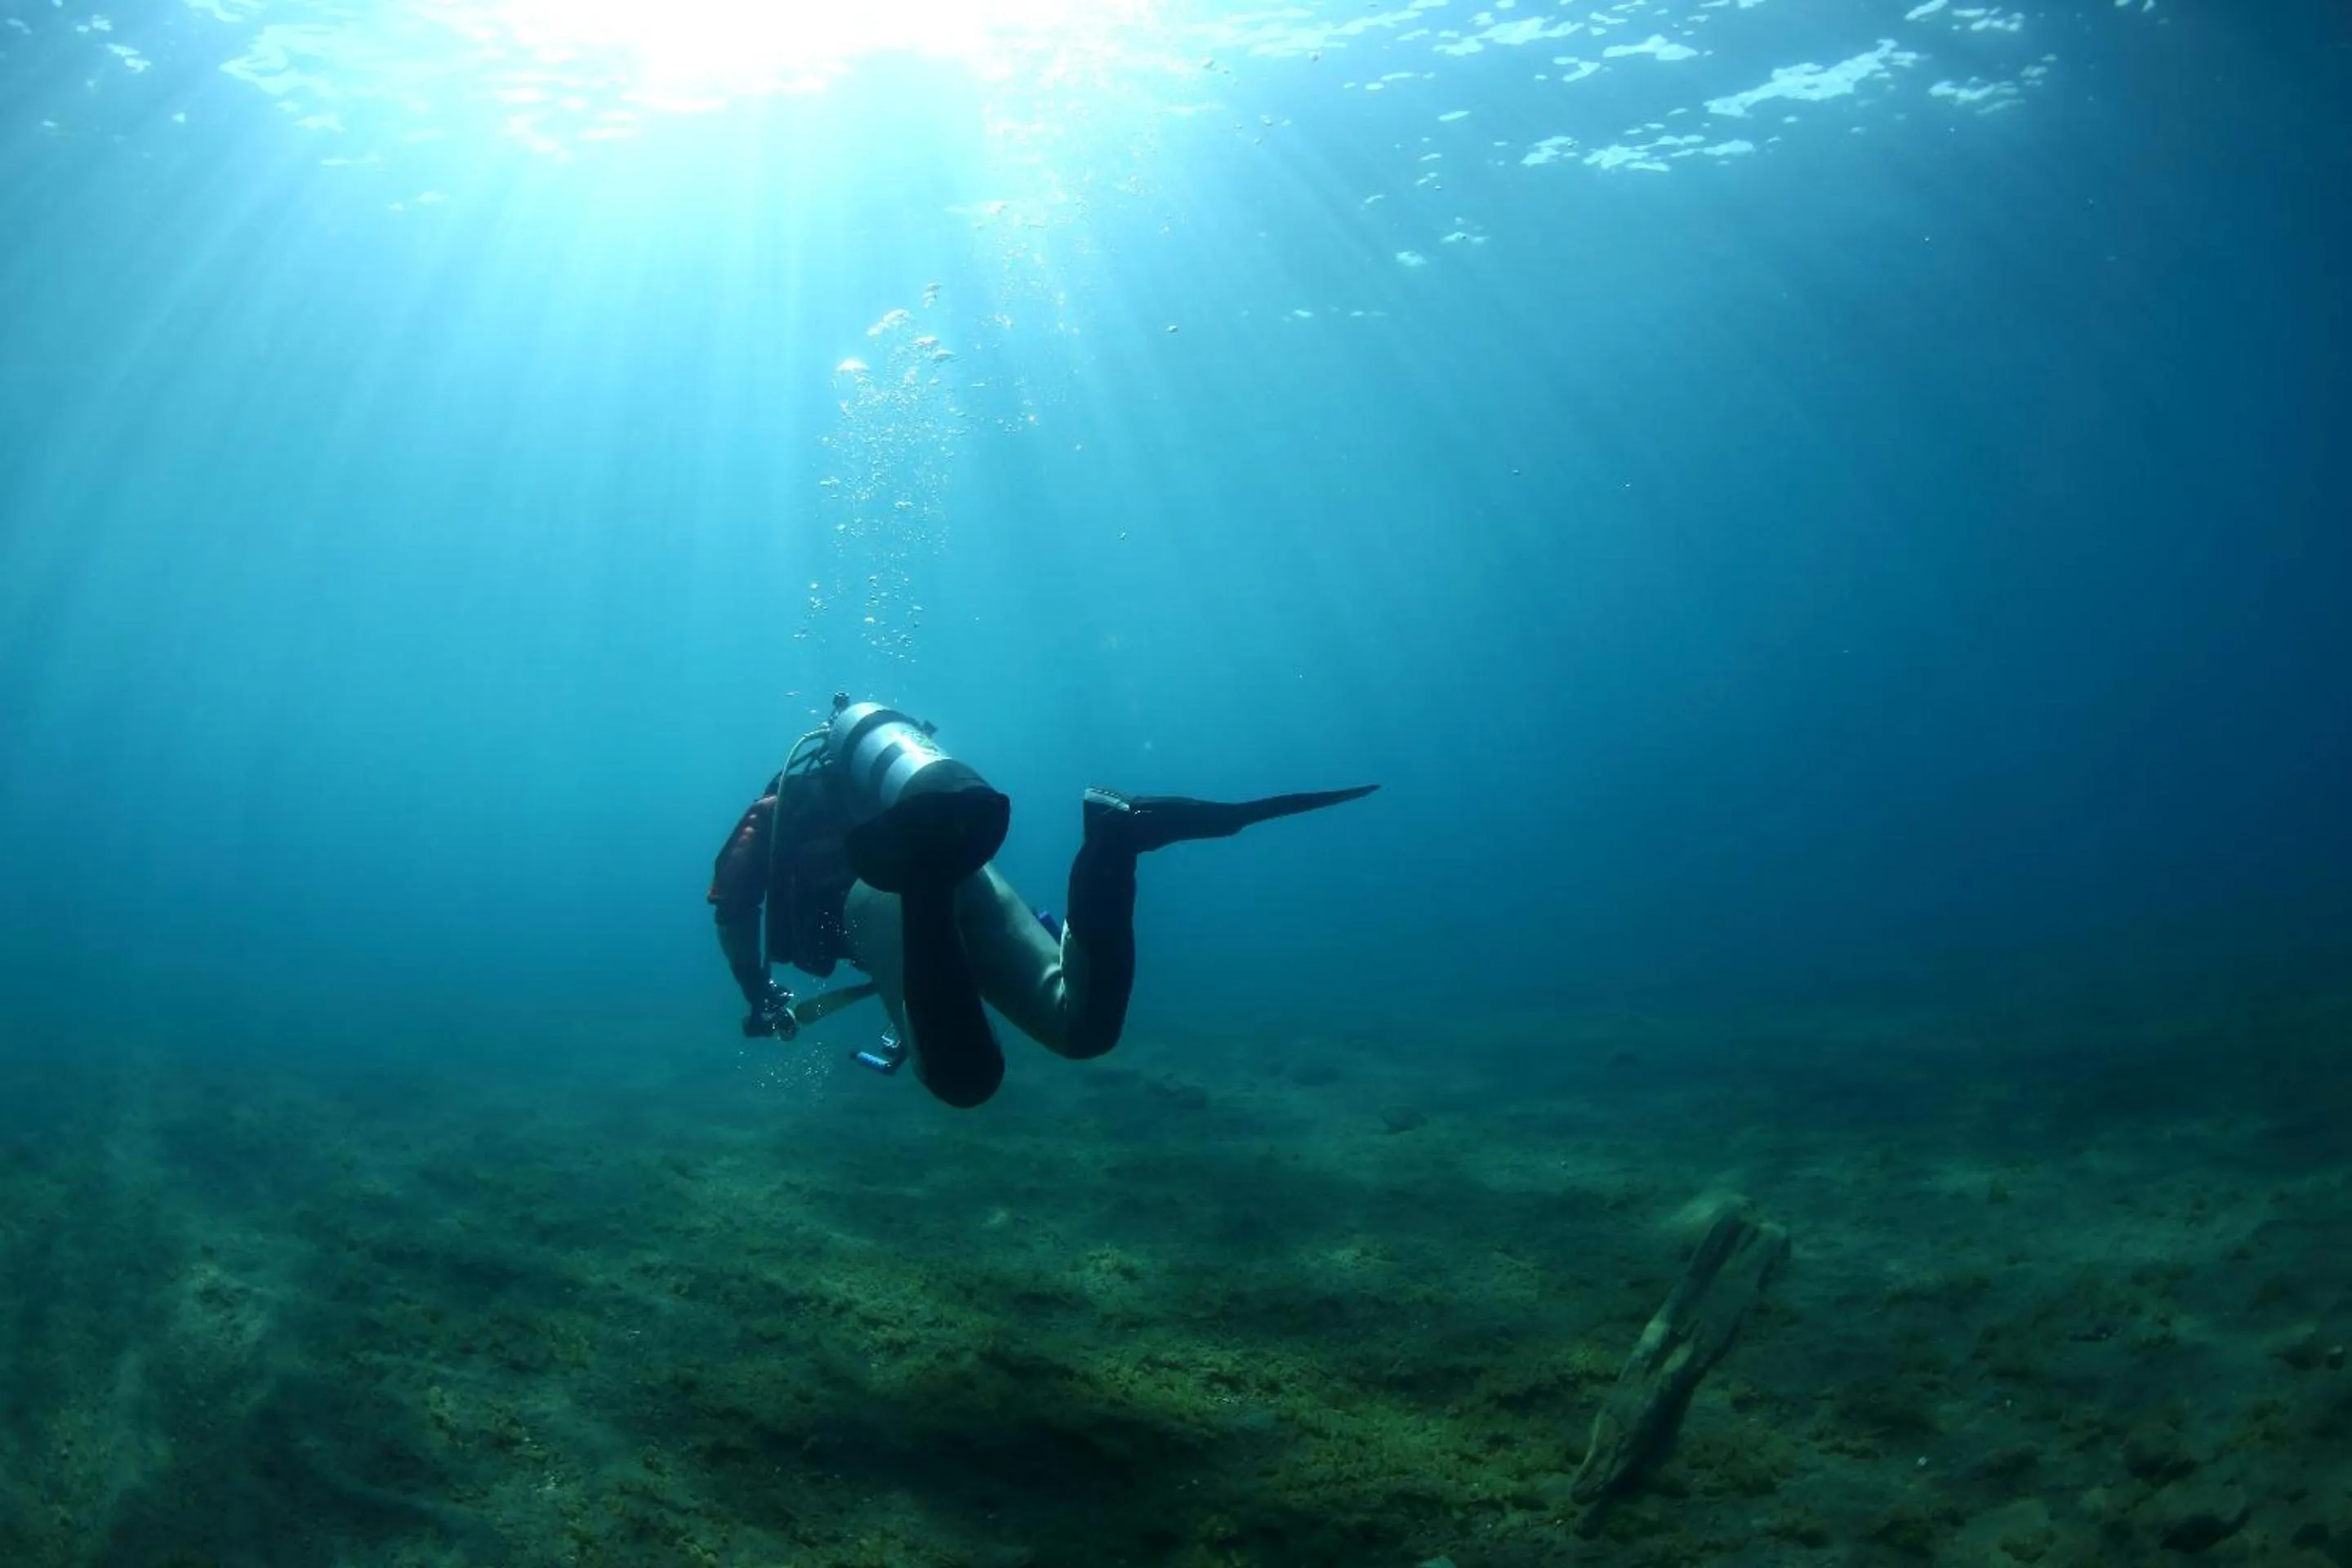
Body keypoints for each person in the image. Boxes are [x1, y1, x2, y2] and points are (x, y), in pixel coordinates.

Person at [708, 693, 1377, 1108]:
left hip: (889, 893)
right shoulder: (894, 795)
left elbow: (732, 907)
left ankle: (930, 886)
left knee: (964, 1080)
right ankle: (1113, 839)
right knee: (1079, 1025)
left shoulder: (778, 808)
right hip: (966, 864)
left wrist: (755, 990)